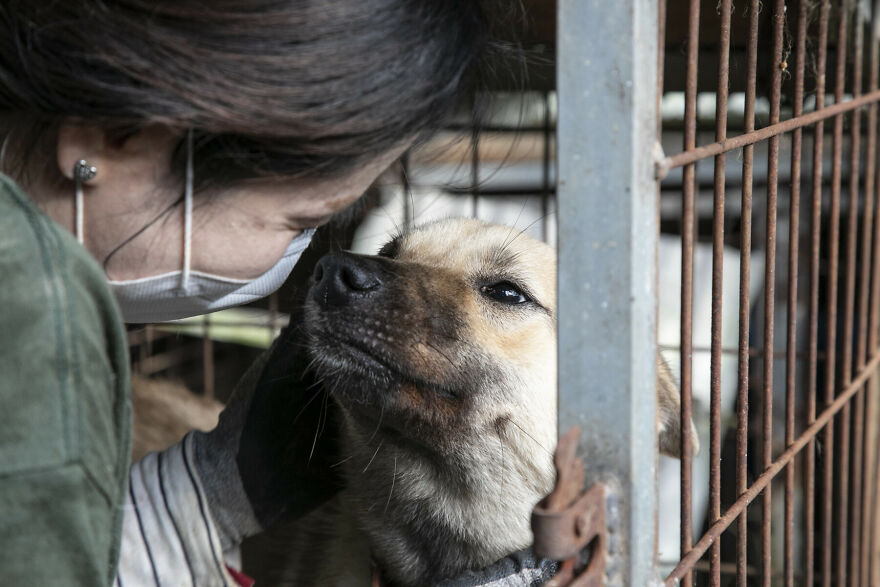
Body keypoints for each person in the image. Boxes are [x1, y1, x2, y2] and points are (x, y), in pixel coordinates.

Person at [0, 1, 557, 585]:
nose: (340, 271)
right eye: (301, 221)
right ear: (116, 137)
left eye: (503, 292)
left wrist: (199, 496)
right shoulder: (29, 301)